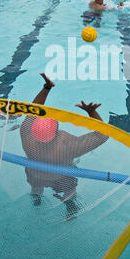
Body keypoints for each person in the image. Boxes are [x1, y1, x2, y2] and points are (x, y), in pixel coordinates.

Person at [20, 73, 108, 211]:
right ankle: (70, 205)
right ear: (56, 132)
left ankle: (36, 198)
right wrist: (92, 113)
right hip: (61, 178)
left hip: (35, 175)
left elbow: (33, 110)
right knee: (69, 191)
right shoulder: (68, 145)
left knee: (36, 187)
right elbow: (102, 135)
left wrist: (46, 88)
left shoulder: (26, 134)